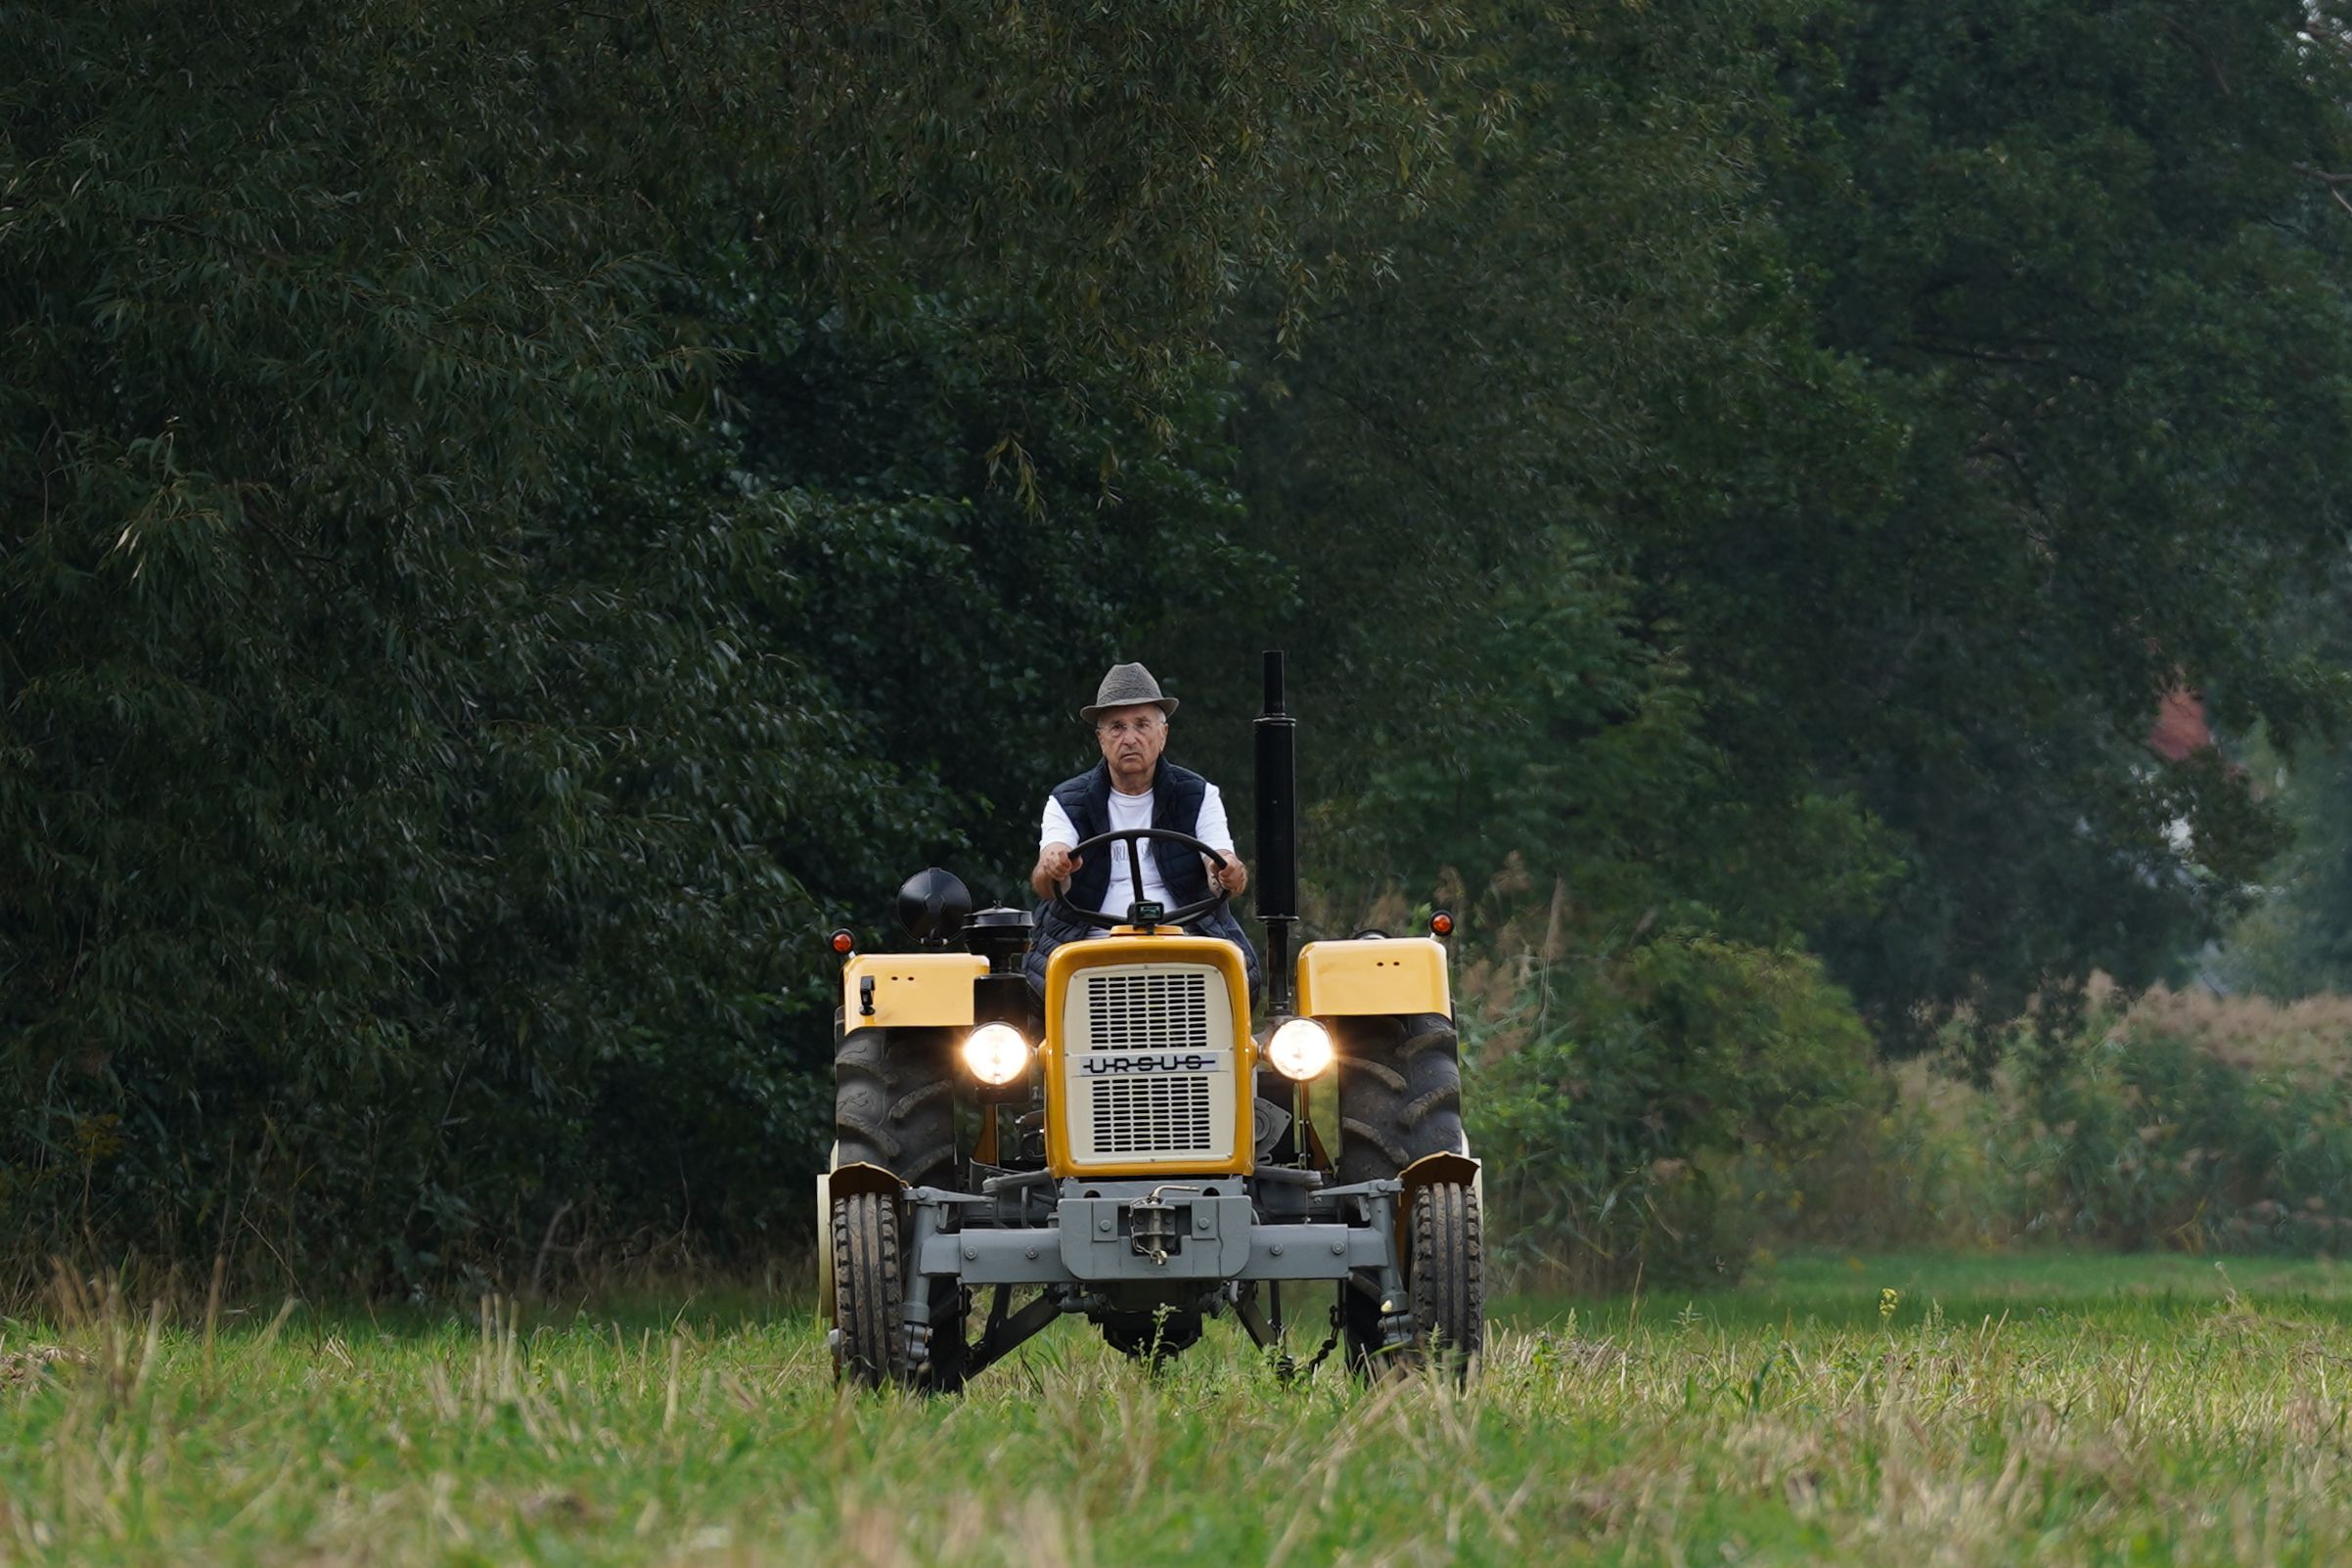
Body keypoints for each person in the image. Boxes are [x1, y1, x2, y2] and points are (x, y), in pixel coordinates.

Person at [1025, 662, 1262, 998]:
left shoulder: (1197, 794)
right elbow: (1048, 880)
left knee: (1237, 979)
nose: (1130, 739)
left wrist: (1226, 872)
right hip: (1089, 944)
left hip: (1185, 941)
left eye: (1141, 725)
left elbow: (1219, 863)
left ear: (1162, 734)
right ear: (1101, 739)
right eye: (1117, 727)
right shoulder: (1067, 801)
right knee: (1035, 995)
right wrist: (1055, 865)